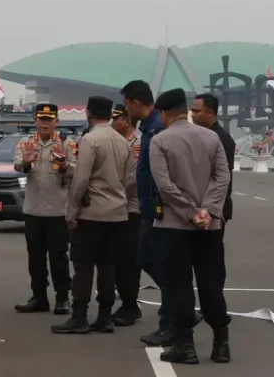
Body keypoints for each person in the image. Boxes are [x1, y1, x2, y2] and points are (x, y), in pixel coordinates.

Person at [151, 88, 232, 365]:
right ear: (185, 109)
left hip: (174, 226)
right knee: (211, 283)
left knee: (178, 286)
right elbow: (223, 177)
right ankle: (221, 344)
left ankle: (186, 347)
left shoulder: (160, 141)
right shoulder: (212, 138)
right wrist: (206, 211)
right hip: (210, 226)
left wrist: (189, 212)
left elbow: (164, 186)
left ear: (163, 113)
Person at [52, 96, 135, 335]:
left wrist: (72, 211)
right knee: (108, 267)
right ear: (110, 114)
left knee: (83, 267)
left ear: (88, 113)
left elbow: (80, 180)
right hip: (117, 213)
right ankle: (105, 317)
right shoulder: (123, 142)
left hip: (92, 214)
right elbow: (130, 181)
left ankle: (79, 317)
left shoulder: (90, 140)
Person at [120, 80, 179, 346]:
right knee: (147, 259)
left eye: (125, 104)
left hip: (156, 209)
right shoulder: (150, 127)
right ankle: (180, 312)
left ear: (135, 103)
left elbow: (160, 175)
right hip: (148, 207)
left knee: (155, 261)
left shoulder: (156, 129)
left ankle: (176, 318)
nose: (124, 110)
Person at [13, 103, 76, 315]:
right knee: (35, 258)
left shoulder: (67, 144)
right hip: (33, 211)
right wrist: (26, 162)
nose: (45, 123)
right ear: (35, 121)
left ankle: (62, 298)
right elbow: (17, 166)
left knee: (58, 257)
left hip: (58, 211)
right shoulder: (25, 143)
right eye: (42, 119)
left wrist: (65, 165)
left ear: (57, 121)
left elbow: (76, 172)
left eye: (50, 119)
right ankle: (39, 297)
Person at [110, 103, 143, 326]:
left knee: (129, 261)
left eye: (116, 119)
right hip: (120, 206)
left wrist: (109, 191)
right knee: (120, 260)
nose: (113, 123)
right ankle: (128, 303)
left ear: (127, 120)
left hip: (132, 208)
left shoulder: (136, 143)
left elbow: (132, 179)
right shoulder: (120, 142)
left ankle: (130, 306)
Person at [190, 93, 236, 228]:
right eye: (192, 110)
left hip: (214, 210)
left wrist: (217, 211)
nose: (192, 115)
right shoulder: (202, 136)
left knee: (212, 248)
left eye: (196, 111)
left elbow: (224, 178)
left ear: (210, 112)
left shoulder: (221, 139)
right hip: (202, 208)